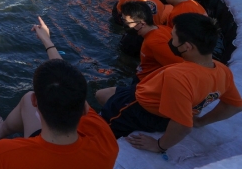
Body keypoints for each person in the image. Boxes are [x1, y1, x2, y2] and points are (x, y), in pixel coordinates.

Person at [0, 17, 118, 169]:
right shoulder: (103, 137)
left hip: (29, 157)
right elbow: (68, 80)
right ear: (85, 109)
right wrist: (47, 41)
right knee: (25, 98)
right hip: (66, 151)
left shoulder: (7, 153)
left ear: (37, 103)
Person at [97, 14, 242, 151]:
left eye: (173, 37)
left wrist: (160, 145)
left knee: (100, 129)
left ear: (187, 46)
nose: (170, 41)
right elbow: (235, 105)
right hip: (150, 99)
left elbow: (183, 125)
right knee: (101, 94)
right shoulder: (222, 70)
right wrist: (201, 121)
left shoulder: (178, 77)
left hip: (140, 109)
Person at [120, 1, 183, 83]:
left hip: (145, 82)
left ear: (142, 24)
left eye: (126, 22)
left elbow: (179, 66)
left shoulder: (154, 43)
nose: (124, 24)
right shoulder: (162, 28)